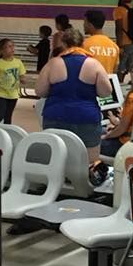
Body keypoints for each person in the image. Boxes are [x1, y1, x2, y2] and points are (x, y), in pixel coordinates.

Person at [37, 29, 112, 166]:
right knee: (90, 164)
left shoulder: (53, 63)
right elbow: (106, 92)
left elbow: (40, 91)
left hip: (55, 117)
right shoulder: (93, 64)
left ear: (64, 44)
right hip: (86, 118)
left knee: (56, 161)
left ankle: (57, 185)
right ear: (82, 43)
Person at [0, 38, 26, 125]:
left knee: (8, 116)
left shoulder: (18, 62)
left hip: (13, 94)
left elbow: (22, 75)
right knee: (0, 115)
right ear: (1, 51)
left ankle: (7, 134)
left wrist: (23, 79)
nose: (12, 48)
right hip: (1, 94)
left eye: (13, 46)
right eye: (9, 47)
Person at [82, 10, 119, 78]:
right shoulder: (114, 46)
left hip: (90, 85)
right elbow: (115, 70)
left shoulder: (84, 44)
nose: (83, 25)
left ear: (90, 25)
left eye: (85, 22)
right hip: (106, 85)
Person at [113, 0, 133, 81]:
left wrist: (119, 45)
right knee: (132, 66)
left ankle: (119, 85)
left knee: (121, 66)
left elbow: (119, 28)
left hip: (124, 42)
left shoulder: (119, 10)